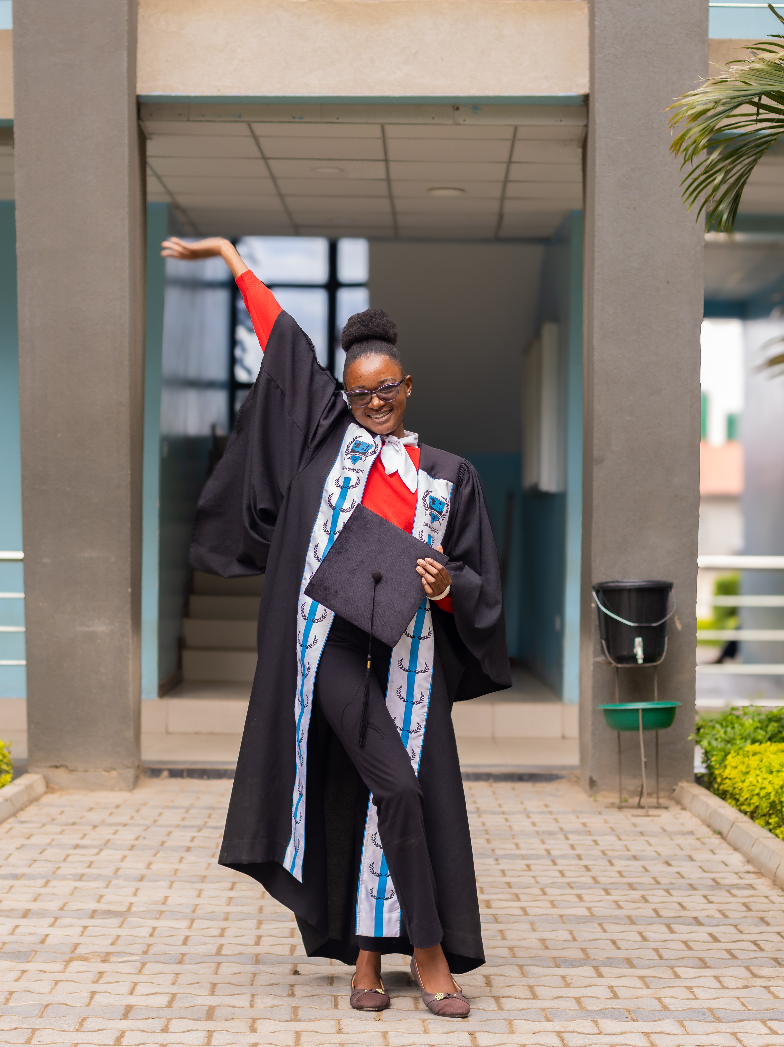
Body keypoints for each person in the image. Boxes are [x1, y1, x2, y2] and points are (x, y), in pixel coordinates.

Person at [165, 236, 510, 1018]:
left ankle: (367, 959)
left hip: (411, 652)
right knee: (398, 786)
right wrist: (229, 256)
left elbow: (476, 579)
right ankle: (430, 958)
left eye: (386, 388)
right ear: (345, 397)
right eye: (360, 393)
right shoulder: (327, 438)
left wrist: (446, 585)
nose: (374, 402)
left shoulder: (448, 475)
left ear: (407, 386)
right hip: (335, 650)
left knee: (372, 793)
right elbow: (284, 345)